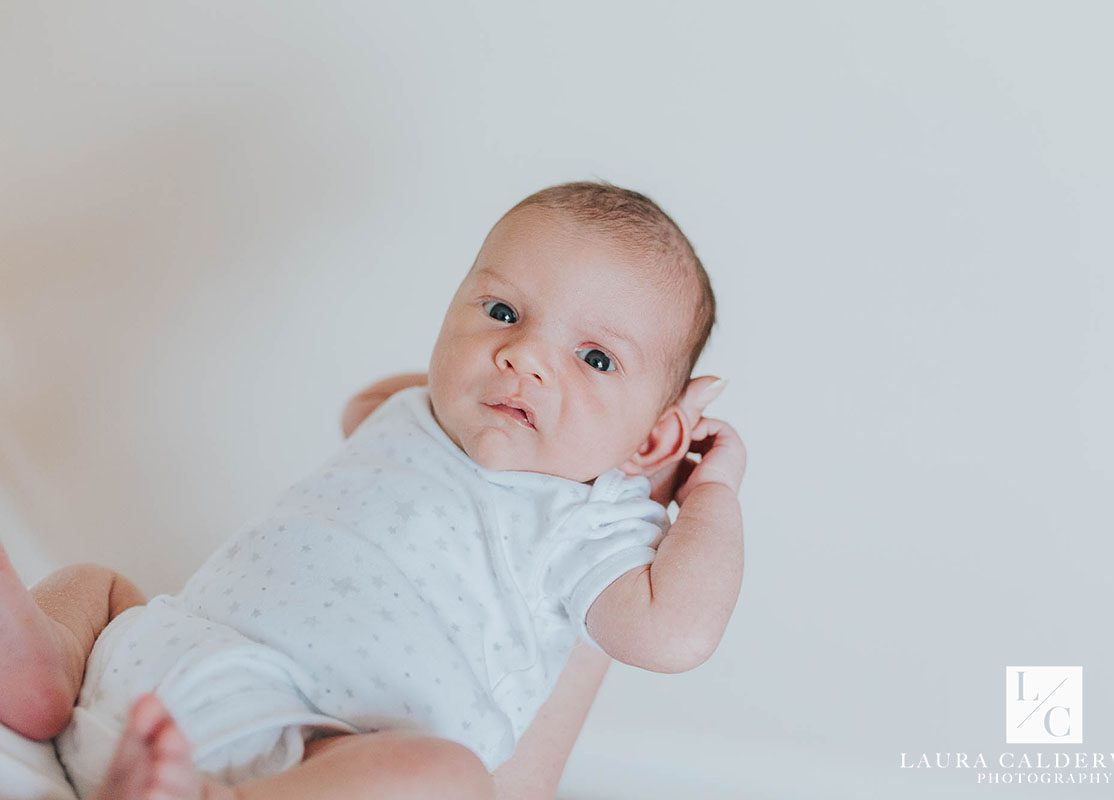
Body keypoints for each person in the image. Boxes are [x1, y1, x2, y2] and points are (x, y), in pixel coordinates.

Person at [0, 181, 746, 800]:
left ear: (653, 440)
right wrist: (463, 392)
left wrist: (711, 491)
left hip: (308, 747)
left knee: (447, 781)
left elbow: (673, 635)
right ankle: (44, 665)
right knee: (94, 587)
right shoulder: (413, 412)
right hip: (158, 655)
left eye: (594, 358)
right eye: (502, 313)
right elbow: (362, 410)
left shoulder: (582, 522)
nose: (523, 357)